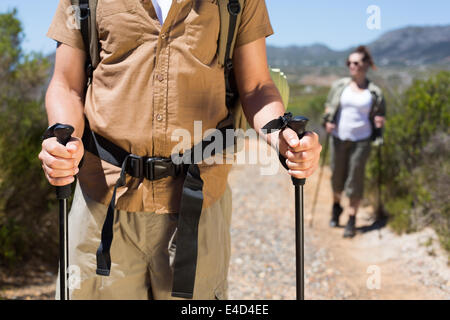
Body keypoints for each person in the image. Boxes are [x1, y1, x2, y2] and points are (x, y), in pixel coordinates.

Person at [38, 0, 322, 300]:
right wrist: (61, 142)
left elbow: (256, 87)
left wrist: (281, 136)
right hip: (102, 198)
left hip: (198, 204)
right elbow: (66, 84)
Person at [323, 46, 386, 238]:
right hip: (338, 138)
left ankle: (351, 219)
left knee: (355, 179)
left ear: (366, 64)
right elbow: (329, 106)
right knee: (337, 178)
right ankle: (336, 207)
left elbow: (380, 115)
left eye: (356, 63)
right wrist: (327, 121)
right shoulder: (340, 86)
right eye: (349, 63)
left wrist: (379, 122)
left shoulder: (374, 92)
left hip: (362, 140)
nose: (352, 66)